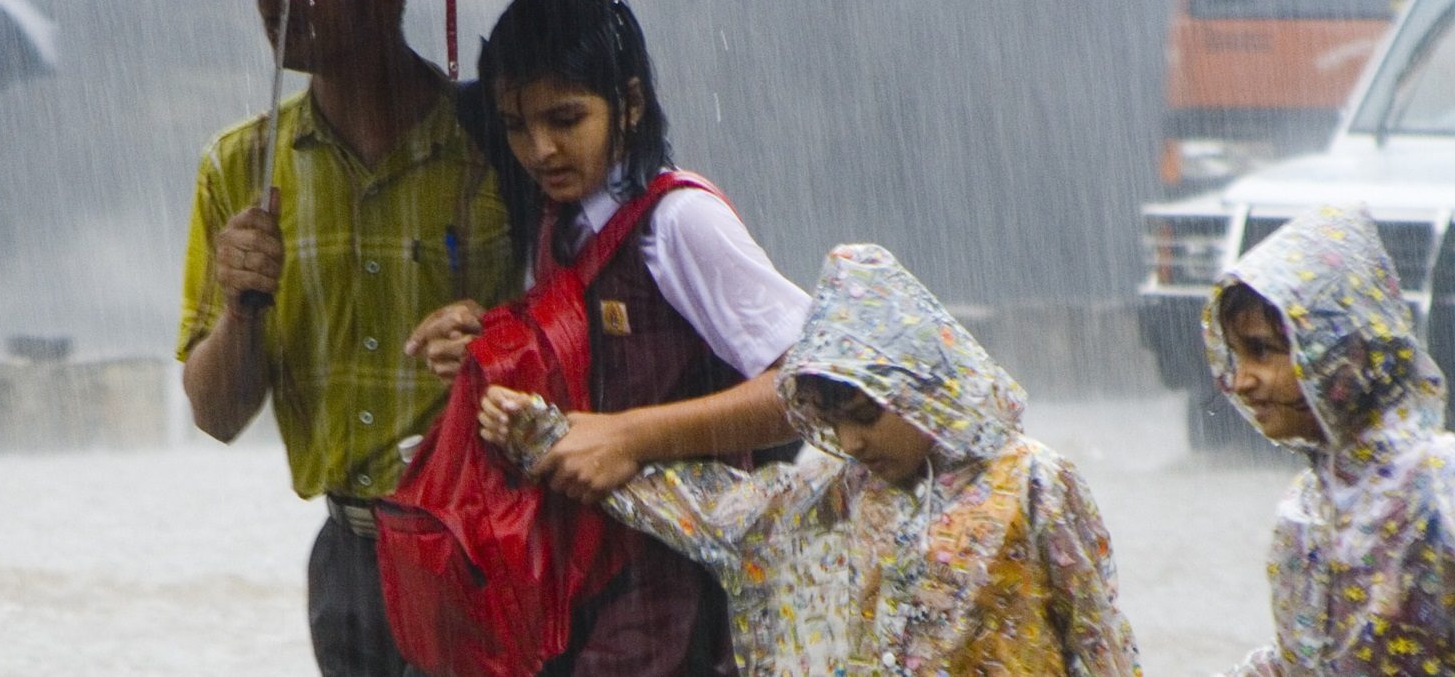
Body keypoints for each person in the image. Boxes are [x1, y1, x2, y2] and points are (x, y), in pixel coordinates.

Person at [483, 243, 1143, 676]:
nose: (852, 442)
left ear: (918, 386)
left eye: (866, 418)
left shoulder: (1033, 481)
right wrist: (545, 437)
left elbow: (1099, 636)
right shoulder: (835, 495)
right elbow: (712, 511)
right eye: (833, 424)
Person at [405, 0, 809, 675]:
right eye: (515, 125)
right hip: (583, 587)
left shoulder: (679, 223)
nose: (540, 150)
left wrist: (632, 437)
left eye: (566, 119)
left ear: (629, 102)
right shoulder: (558, 222)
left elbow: (814, 386)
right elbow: (576, 386)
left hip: (676, 595)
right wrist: (486, 356)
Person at [177, 0, 518, 677]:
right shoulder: (241, 167)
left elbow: (579, 344)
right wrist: (242, 307)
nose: (273, 4)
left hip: (486, 543)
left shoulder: (499, 145)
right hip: (348, 561)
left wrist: (499, 347)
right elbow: (216, 415)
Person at [1206, 204, 1455, 675]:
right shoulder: (1307, 505)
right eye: (1235, 355)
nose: (1240, 380)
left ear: (1337, 351)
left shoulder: (1445, 490)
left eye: (1262, 351)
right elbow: (1310, 656)